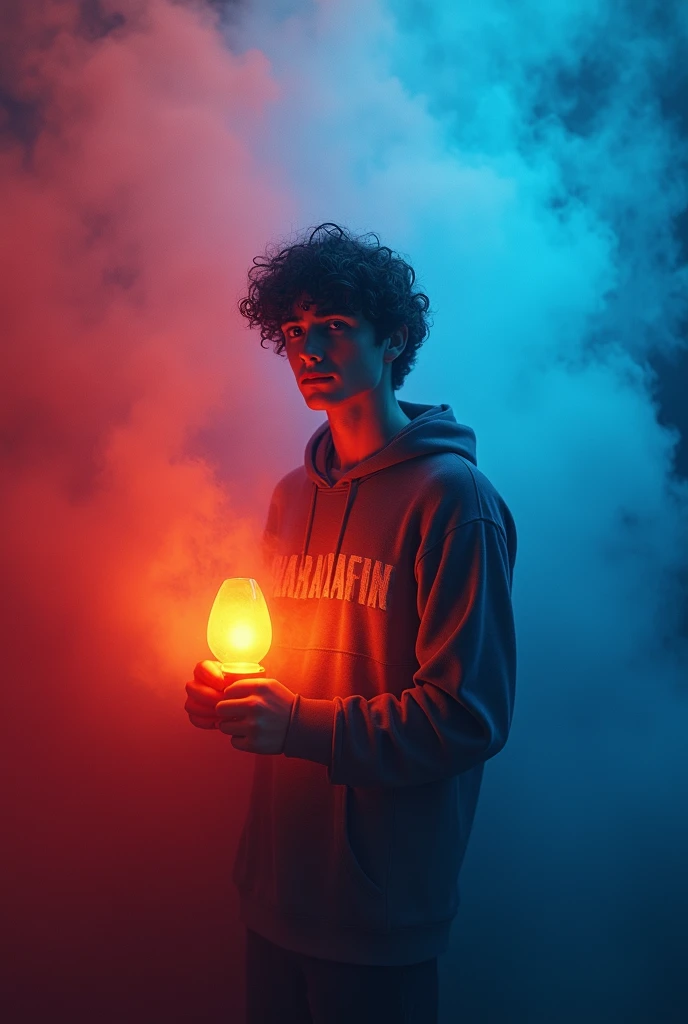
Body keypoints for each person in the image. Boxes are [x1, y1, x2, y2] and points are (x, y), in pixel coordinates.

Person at [184, 223, 518, 1024]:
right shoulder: (289, 498)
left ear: (393, 337)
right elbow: (282, 674)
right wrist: (229, 697)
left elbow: (469, 717)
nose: (307, 348)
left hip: (379, 913)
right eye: (294, 331)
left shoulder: (454, 502)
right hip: (272, 890)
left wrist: (298, 725)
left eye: (332, 325)